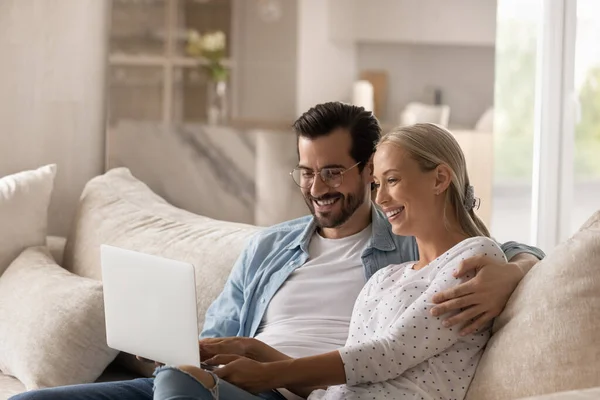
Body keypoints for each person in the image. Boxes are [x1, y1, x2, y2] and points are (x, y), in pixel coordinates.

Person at [11, 103, 544, 400]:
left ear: (366, 168)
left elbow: (494, 247)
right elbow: (219, 334)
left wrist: (513, 270)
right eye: (307, 173)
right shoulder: (273, 247)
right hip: (223, 382)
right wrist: (190, 349)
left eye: (334, 172)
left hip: (282, 394)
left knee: (178, 386)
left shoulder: (409, 239)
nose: (317, 187)